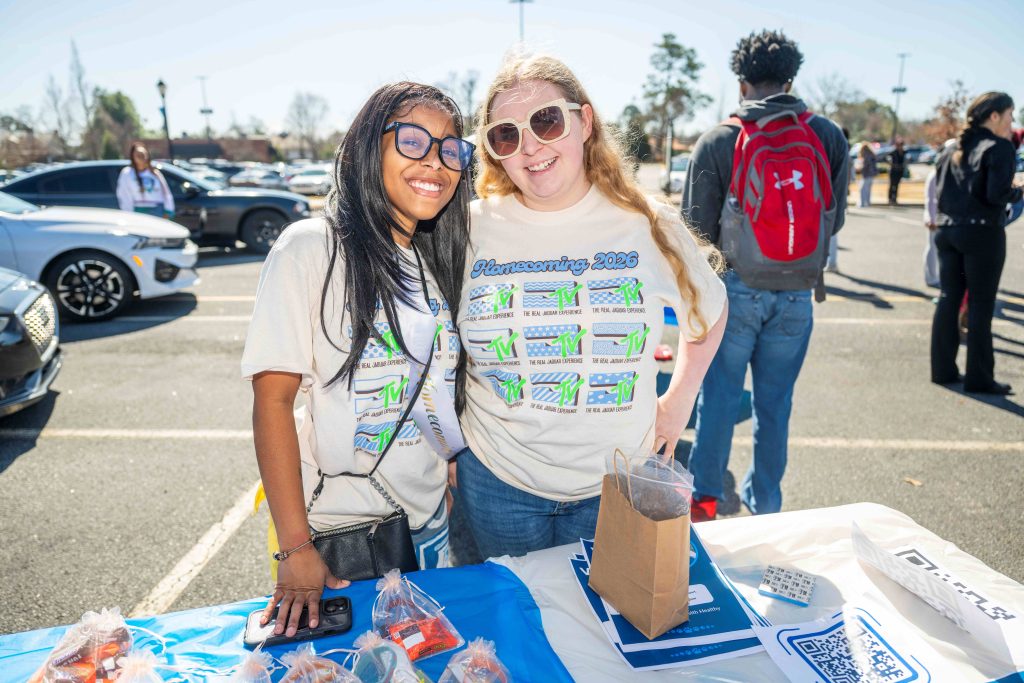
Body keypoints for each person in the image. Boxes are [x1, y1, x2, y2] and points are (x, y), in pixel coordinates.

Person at [454, 54, 728, 559]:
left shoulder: (646, 223)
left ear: (584, 122)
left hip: (616, 484)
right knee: (512, 628)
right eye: (506, 135)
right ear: (494, 151)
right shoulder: (467, 229)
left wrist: (679, 403)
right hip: (497, 483)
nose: (530, 147)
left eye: (546, 121)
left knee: (604, 632)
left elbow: (709, 311)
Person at [241, 83, 474, 637]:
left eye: (450, 149)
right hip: (342, 540)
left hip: (430, 531)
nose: (435, 163)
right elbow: (271, 402)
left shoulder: (431, 259)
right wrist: (294, 546)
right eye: (414, 141)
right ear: (370, 146)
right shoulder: (311, 248)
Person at [683, 30, 849, 520]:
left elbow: (695, 230)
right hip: (798, 293)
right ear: (792, 79)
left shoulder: (720, 140)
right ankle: (766, 505)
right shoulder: (828, 136)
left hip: (734, 292)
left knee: (718, 400)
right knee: (775, 407)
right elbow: (832, 220)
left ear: (741, 83)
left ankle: (707, 501)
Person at [931, 92, 1022, 395]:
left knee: (948, 298)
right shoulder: (999, 148)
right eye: (1010, 115)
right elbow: (997, 195)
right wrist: (1018, 190)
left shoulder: (950, 150)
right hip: (982, 234)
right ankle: (979, 378)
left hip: (947, 231)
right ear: (994, 116)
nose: (1012, 122)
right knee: (981, 305)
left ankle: (942, 370)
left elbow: (941, 194)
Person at [116, 142, 174, 218]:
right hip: (138, 213)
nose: (141, 157)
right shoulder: (127, 173)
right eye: (138, 155)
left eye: (143, 154)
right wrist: (129, 214)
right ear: (132, 157)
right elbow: (124, 195)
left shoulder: (155, 173)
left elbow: (166, 193)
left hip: (158, 211)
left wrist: (168, 210)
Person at [888, 138, 907, 205]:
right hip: (893, 171)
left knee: (896, 185)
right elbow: (888, 158)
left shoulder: (903, 152)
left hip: (899, 171)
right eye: (899, 145)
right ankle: (890, 198)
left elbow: (905, 161)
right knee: (892, 185)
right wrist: (893, 164)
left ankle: (894, 198)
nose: (900, 146)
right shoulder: (893, 152)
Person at [859, 143, 878, 207]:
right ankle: (867, 202)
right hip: (872, 174)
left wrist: (860, 169)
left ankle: (862, 203)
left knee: (863, 189)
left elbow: (866, 166)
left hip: (867, 174)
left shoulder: (866, 155)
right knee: (868, 189)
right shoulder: (872, 155)